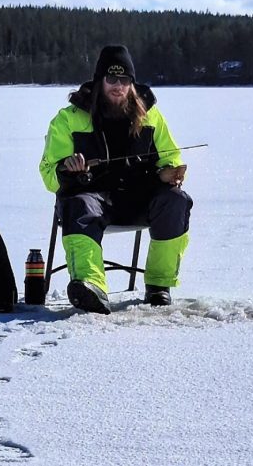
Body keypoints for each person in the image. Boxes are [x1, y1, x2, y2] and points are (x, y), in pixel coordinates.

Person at [38, 45, 193, 314]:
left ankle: (159, 285)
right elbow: (49, 174)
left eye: (124, 80)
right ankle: (91, 285)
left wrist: (170, 173)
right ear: (100, 81)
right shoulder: (67, 120)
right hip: (92, 200)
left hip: (138, 200)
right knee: (79, 205)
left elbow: (172, 157)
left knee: (176, 200)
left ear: (132, 84)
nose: (118, 86)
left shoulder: (151, 116)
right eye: (112, 79)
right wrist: (67, 170)